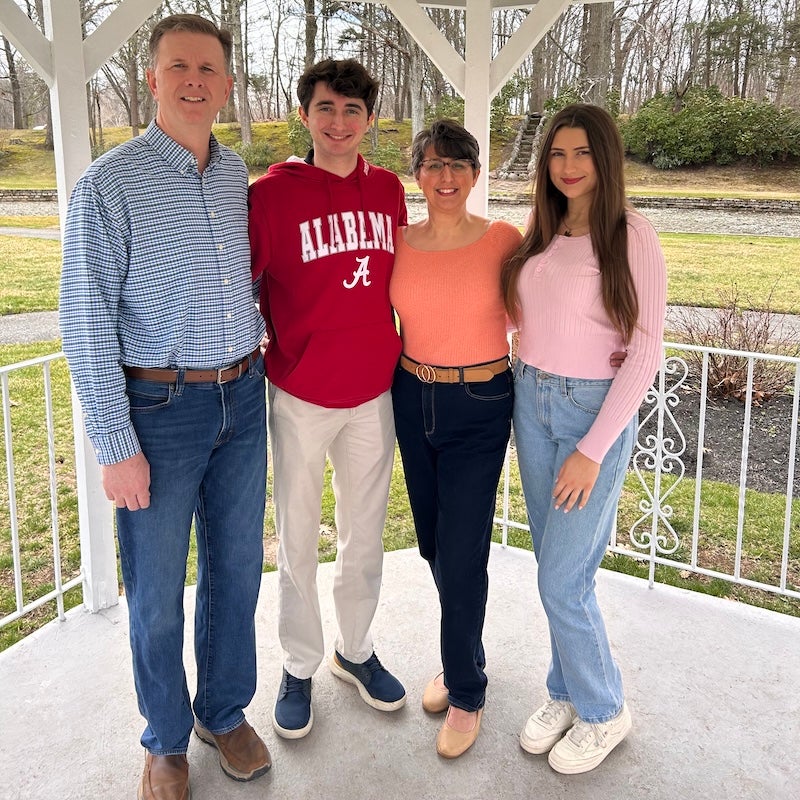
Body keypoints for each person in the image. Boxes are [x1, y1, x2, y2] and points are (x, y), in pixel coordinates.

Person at [59, 14, 272, 800]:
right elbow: (85, 320)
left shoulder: (232, 173)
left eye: (209, 69)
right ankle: (165, 740)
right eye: (178, 66)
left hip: (242, 400)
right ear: (152, 79)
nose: (194, 80)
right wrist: (117, 444)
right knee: (154, 592)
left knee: (237, 571)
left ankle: (223, 710)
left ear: (224, 84)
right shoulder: (107, 186)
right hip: (160, 409)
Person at [501, 103, 667, 775]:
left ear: (606, 159)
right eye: (557, 154)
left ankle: (603, 710)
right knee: (556, 570)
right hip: (529, 398)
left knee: (563, 579)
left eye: (582, 154)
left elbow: (647, 348)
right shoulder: (540, 231)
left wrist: (593, 447)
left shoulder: (631, 235)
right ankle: (565, 691)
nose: (568, 167)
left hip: (587, 412)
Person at [249, 58, 406, 740]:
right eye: (325, 109)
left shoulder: (392, 191)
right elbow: (241, 290)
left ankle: (356, 649)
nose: (338, 123)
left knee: (363, 536)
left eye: (351, 111)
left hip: (372, 392)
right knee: (298, 539)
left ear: (369, 120)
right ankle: (299, 663)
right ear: (305, 115)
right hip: (301, 393)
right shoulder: (271, 195)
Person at [390, 120, 522, 758]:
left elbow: (541, 314)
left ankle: (467, 692)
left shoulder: (504, 241)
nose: (445, 178)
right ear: (417, 174)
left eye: (458, 165)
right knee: (436, 545)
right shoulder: (399, 242)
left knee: (464, 550)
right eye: (432, 165)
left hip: (480, 401)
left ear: (475, 174)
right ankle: (459, 654)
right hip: (413, 398)